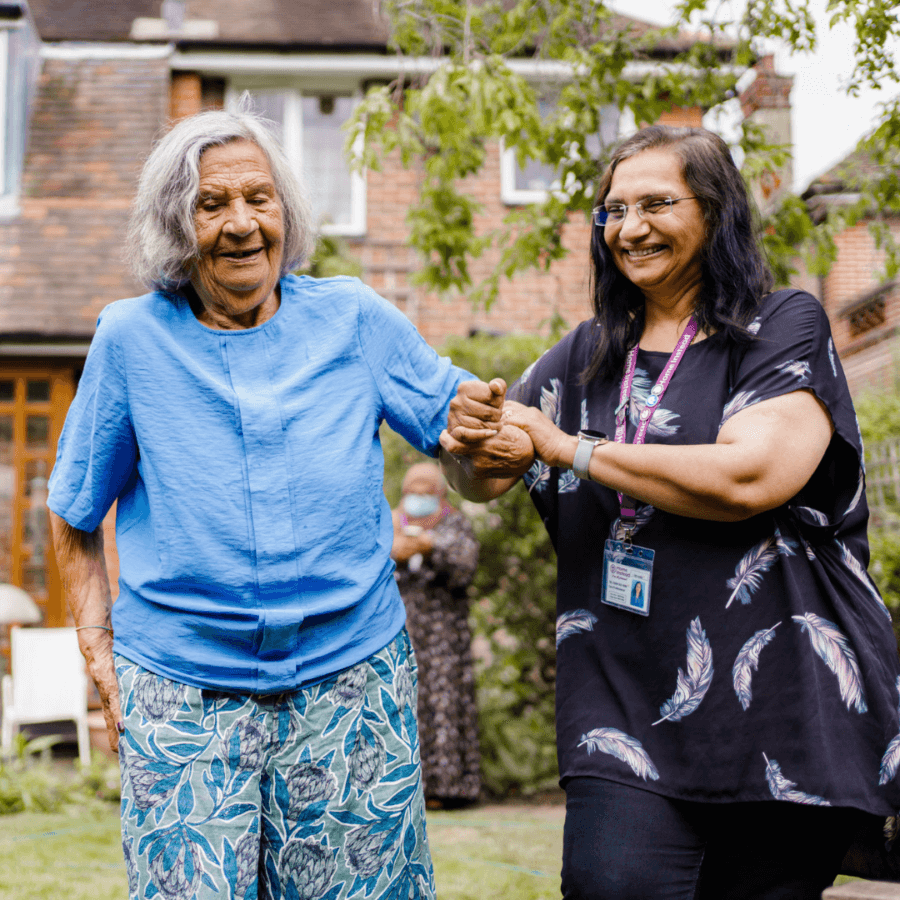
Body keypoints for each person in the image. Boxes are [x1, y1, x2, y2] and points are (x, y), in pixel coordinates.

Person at [440, 125, 900, 899]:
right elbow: (483, 476)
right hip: (623, 704)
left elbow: (750, 475)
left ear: (716, 213)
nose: (630, 227)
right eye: (614, 210)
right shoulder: (587, 354)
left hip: (783, 709)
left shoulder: (778, 326)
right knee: (609, 884)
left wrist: (570, 449)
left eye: (657, 203)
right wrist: (473, 444)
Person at [46, 106, 472, 900]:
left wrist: (491, 441)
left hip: (351, 679)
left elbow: (465, 444)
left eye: (259, 199)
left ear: (286, 213)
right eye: (212, 205)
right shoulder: (132, 340)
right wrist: (100, 657)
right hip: (182, 690)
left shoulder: (352, 318)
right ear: (177, 224)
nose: (241, 223)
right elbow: (73, 512)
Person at [391, 462, 481, 807]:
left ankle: (449, 788)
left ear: (440, 493)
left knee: (443, 705)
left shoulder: (453, 522)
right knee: (404, 703)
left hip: (444, 636)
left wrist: (429, 545)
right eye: (412, 490)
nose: (418, 497)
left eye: (426, 491)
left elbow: (465, 564)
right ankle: (405, 787)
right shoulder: (391, 522)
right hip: (401, 629)